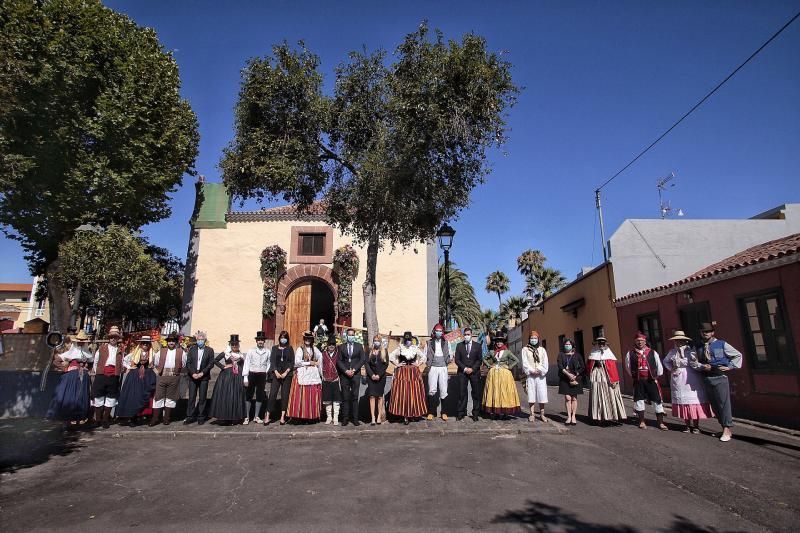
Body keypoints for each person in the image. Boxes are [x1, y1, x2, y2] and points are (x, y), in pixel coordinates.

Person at [695, 322, 743, 442]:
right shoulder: (698, 346)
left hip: (720, 377)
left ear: (712, 332)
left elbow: (737, 355)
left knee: (723, 404)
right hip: (707, 378)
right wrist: (701, 366)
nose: (705, 333)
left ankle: (727, 429)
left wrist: (730, 366)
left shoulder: (721, 344)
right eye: (703, 331)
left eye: (707, 331)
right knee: (715, 406)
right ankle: (724, 428)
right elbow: (694, 361)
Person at [663, 330, 714, 434]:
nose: (678, 343)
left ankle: (696, 426)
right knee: (683, 402)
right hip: (678, 378)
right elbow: (666, 361)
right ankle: (687, 425)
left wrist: (703, 367)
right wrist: (671, 369)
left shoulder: (691, 351)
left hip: (692, 378)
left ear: (685, 341)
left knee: (693, 401)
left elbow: (695, 363)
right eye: (677, 341)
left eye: (681, 341)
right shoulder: (672, 352)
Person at [46, 330, 94, 428]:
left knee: (80, 398)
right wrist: (66, 368)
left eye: (83, 341)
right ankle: (67, 422)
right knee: (70, 397)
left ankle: (77, 420)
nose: (81, 342)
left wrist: (86, 370)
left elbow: (90, 363)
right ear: (76, 341)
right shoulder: (71, 352)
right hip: (72, 377)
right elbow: (56, 361)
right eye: (79, 340)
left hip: (83, 378)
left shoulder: (87, 352)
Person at [624, 332, 667, 430]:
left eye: (641, 341)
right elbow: (628, 367)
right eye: (637, 341)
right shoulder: (630, 353)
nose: (639, 342)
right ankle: (642, 421)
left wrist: (656, 375)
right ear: (635, 342)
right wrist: (635, 375)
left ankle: (660, 423)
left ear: (645, 341)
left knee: (657, 400)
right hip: (639, 380)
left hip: (651, 380)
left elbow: (658, 365)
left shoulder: (652, 352)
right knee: (639, 400)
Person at [116, 336, 158, 426]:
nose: (145, 345)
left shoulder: (153, 354)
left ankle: (142, 415)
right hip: (135, 376)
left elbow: (156, 363)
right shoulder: (135, 353)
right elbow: (125, 361)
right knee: (133, 396)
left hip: (147, 376)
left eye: (147, 343)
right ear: (141, 344)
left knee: (144, 395)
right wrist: (130, 367)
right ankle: (132, 417)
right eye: (143, 343)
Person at [388, 331, 427, 424]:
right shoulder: (400, 348)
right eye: (407, 339)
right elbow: (391, 356)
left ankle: (413, 414)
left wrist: (418, 364)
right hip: (402, 372)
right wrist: (397, 364)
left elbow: (424, 357)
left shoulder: (415, 348)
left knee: (414, 393)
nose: (408, 341)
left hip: (413, 372)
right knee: (403, 393)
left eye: (409, 339)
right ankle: (404, 415)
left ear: (411, 340)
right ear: (404, 340)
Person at [481, 329, 521, 419]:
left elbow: (516, 360)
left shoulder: (507, 352)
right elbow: (484, 359)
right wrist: (489, 365)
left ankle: (505, 412)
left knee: (504, 391)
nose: (499, 343)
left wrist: (509, 366)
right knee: (495, 391)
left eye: (500, 341)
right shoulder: (492, 352)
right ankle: (496, 412)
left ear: (503, 342)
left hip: (504, 374)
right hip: (494, 374)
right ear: (495, 343)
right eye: (497, 342)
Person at [586, 336, 626, 425]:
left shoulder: (609, 353)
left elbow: (613, 368)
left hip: (608, 378)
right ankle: (599, 417)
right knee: (598, 396)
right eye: (599, 343)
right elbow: (589, 366)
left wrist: (614, 379)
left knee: (609, 396)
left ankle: (610, 416)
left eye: (602, 343)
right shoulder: (593, 353)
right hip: (597, 377)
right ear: (596, 344)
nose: (601, 345)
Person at [208, 334, 247, 425]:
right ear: (230, 345)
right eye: (233, 344)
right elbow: (215, 360)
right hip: (227, 377)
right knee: (227, 396)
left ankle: (234, 417)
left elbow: (243, 365)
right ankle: (224, 417)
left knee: (235, 396)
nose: (234, 346)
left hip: (237, 377)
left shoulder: (240, 355)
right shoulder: (226, 353)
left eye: (236, 344)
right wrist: (223, 366)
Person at [90, 326, 124, 429]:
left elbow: (122, 363)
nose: (113, 339)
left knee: (111, 397)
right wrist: (98, 373)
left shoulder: (120, 351)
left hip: (113, 376)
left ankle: (105, 420)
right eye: (111, 337)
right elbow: (96, 361)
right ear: (109, 338)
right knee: (98, 396)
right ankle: (97, 419)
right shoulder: (101, 348)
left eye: (115, 337)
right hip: (101, 375)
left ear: (118, 339)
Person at [150, 332, 186, 426]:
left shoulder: (181, 352)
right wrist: (158, 371)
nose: (171, 343)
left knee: (171, 398)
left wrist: (177, 370)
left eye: (173, 341)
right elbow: (156, 362)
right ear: (167, 342)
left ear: (176, 342)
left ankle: (166, 418)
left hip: (174, 377)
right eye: (169, 341)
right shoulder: (161, 351)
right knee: (158, 397)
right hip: (162, 376)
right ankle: (155, 418)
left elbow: (184, 363)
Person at [287, 331, 323, 422]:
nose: (307, 340)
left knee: (311, 396)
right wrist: (308, 362)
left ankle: (311, 416)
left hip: (312, 375)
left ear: (312, 340)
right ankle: (299, 416)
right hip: (302, 374)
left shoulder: (315, 349)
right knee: (301, 396)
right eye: (306, 338)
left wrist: (319, 367)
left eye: (309, 339)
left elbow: (321, 357)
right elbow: (297, 362)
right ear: (304, 339)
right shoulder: (300, 349)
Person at [184, 331, 215, 425]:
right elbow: (188, 363)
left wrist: (203, 373)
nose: (200, 341)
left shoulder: (210, 350)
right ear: (196, 340)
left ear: (205, 340)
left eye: (202, 339)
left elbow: (211, 363)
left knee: (202, 398)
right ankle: (190, 416)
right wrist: (192, 373)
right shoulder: (192, 349)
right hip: (193, 376)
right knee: (192, 397)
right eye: (198, 339)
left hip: (203, 377)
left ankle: (201, 416)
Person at [337, 328, 365, 426]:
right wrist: (345, 370)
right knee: (345, 397)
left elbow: (362, 359)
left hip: (355, 375)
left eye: (352, 335)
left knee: (354, 397)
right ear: (346, 336)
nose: (351, 337)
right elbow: (339, 360)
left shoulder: (359, 346)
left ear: (355, 336)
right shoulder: (341, 347)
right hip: (344, 375)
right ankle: (345, 418)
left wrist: (354, 369)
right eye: (349, 335)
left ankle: (355, 419)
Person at [454, 327, 483, 421]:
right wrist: (465, 368)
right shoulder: (459, 346)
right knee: (462, 393)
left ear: (471, 335)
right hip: (462, 372)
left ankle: (475, 414)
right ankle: (461, 413)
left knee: (475, 393)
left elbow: (479, 360)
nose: (466, 336)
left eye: (468, 334)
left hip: (474, 372)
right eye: (465, 334)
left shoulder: (478, 346)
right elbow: (457, 360)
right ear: (463, 335)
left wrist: (472, 369)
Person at [425, 323, 453, 421]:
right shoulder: (429, 343)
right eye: (437, 330)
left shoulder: (446, 342)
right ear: (434, 331)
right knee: (432, 390)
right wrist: (428, 363)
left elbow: (450, 354)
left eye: (440, 331)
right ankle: (431, 412)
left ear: (442, 332)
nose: (438, 332)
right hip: (433, 367)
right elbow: (425, 355)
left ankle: (444, 412)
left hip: (443, 367)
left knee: (443, 389)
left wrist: (447, 360)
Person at [266, 330, 294, 425]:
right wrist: (276, 371)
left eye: (285, 338)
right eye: (282, 337)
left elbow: (291, 362)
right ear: (279, 338)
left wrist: (286, 372)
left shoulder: (290, 348)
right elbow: (272, 361)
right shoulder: (274, 348)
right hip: (276, 374)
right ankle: (267, 415)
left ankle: (282, 417)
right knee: (272, 394)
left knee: (285, 395)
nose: (283, 339)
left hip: (287, 375)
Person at [242, 331, 270, 425]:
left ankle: (256, 416)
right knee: (249, 394)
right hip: (252, 373)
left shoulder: (267, 351)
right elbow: (246, 363)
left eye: (262, 340)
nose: (260, 341)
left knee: (260, 395)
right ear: (256, 341)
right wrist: (245, 377)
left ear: (264, 341)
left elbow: (269, 364)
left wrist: (266, 373)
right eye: (259, 340)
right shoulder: (251, 351)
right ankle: (246, 416)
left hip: (262, 374)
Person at [521, 330, 549, 423]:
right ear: (529, 339)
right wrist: (531, 370)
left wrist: (540, 370)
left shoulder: (542, 350)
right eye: (532, 338)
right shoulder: (525, 349)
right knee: (531, 394)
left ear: (538, 339)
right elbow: (524, 362)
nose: (533, 340)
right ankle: (532, 414)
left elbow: (545, 362)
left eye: (535, 338)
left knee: (542, 395)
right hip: (531, 376)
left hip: (540, 376)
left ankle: (542, 414)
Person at [557, 338, 585, 426]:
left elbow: (582, 367)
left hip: (575, 379)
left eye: (569, 344)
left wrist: (576, 375)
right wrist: (568, 375)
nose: (567, 346)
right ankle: (568, 416)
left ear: (572, 346)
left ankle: (573, 416)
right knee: (568, 398)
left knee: (574, 398)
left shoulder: (577, 355)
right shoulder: (561, 355)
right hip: (565, 379)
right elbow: (560, 366)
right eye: (566, 344)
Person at [365, 334, 389, 425]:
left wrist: (379, 375)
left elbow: (386, 365)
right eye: (375, 340)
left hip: (381, 377)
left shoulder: (384, 351)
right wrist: (371, 375)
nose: (376, 342)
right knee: (371, 396)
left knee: (379, 397)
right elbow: (366, 364)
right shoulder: (369, 351)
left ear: (380, 342)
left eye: (378, 340)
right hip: (371, 378)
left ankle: (379, 416)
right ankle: (373, 417)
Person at [321, 335, 342, 425]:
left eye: (333, 344)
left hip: (335, 380)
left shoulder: (338, 354)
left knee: (336, 400)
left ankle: (336, 418)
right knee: (327, 400)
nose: (331, 346)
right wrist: (322, 376)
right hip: (326, 380)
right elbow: (320, 366)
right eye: (330, 344)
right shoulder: (323, 354)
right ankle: (329, 417)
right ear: (327, 345)